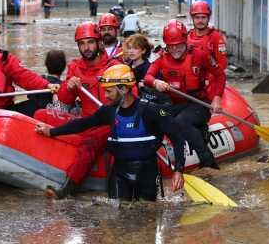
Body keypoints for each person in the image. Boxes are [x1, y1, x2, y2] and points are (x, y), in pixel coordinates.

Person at [36, 64, 186, 201]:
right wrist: (52, 131)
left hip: (147, 173)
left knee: (147, 217)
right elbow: (83, 124)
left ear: (124, 88)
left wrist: (178, 170)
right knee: (117, 218)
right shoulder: (109, 111)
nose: (106, 96)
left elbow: (178, 136)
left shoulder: (151, 111)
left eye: (109, 91)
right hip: (119, 173)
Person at [43, 22, 117, 197]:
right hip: (87, 122)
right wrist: (68, 87)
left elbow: (131, 96)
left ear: (99, 43)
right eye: (82, 43)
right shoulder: (75, 67)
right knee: (40, 114)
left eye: (90, 42)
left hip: (110, 122)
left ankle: (67, 190)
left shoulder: (114, 66)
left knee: (91, 142)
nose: (86, 47)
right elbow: (63, 100)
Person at [144, 19, 224, 169]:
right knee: (154, 115)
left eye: (179, 45)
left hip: (198, 105)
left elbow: (220, 75)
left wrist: (217, 98)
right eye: (171, 46)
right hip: (174, 105)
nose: (175, 50)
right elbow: (148, 77)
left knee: (181, 122)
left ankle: (208, 162)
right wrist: (155, 82)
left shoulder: (199, 55)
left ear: (185, 41)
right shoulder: (161, 57)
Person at [187, 0, 228, 71]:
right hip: (192, 77)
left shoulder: (216, 37)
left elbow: (222, 64)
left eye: (203, 17)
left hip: (210, 77)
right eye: (197, 17)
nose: (200, 21)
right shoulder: (187, 36)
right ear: (192, 18)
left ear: (208, 18)